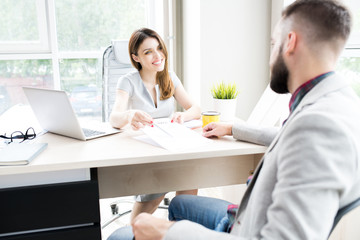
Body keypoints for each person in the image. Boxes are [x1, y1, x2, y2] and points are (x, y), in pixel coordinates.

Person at [125, 1, 360, 239]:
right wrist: (233, 128)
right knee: (181, 204)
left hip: (248, 230)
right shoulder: (334, 102)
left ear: (290, 42)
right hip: (248, 217)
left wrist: (170, 232)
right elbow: (288, 136)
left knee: (126, 234)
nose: (270, 57)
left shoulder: (321, 128)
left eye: (272, 44)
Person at [109, 28, 200, 223]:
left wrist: (183, 116)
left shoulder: (170, 77)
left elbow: (195, 109)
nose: (158, 56)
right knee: (138, 222)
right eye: (148, 51)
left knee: (189, 182)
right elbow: (114, 118)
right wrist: (129, 115)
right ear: (136, 57)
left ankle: (179, 230)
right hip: (146, 154)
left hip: (170, 147)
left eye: (159, 48)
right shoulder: (127, 82)